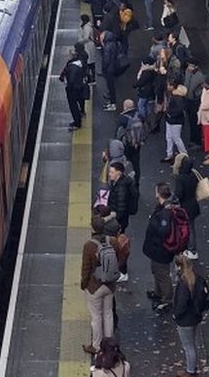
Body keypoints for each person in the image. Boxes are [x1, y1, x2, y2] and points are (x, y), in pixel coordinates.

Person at [82, 216, 116, 355]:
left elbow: (86, 268)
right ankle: (110, 344)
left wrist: (84, 284)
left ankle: (96, 346)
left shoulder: (89, 245)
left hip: (94, 285)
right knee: (108, 314)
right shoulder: (112, 241)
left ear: (92, 228)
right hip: (109, 285)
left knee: (96, 317)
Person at [173, 254, 209, 376]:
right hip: (195, 317)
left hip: (185, 320)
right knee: (192, 344)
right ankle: (192, 368)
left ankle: (191, 371)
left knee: (188, 347)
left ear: (179, 267)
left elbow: (181, 304)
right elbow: (208, 298)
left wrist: (176, 315)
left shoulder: (184, 283)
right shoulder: (199, 279)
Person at [143, 184, 175, 311]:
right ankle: (159, 292)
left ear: (158, 194)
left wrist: (153, 221)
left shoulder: (165, 212)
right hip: (157, 249)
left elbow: (163, 231)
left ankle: (166, 299)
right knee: (157, 270)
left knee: (162, 273)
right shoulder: (164, 207)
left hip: (161, 249)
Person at [171, 153, 200, 260]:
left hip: (186, 207)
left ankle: (192, 250)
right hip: (193, 204)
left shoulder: (180, 178)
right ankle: (191, 248)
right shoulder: (193, 174)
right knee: (191, 227)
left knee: (189, 228)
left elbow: (179, 194)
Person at [59, 48, 88, 131]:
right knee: (78, 103)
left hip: (73, 90)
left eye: (69, 55)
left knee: (73, 106)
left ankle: (77, 123)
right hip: (79, 87)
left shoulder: (72, 67)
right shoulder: (79, 64)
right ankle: (79, 117)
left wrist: (68, 87)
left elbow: (71, 80)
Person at [116, 99, 143, 185]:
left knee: (125, 164)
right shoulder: (139, 115)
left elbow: (118, 133)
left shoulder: (122, 118)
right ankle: (136, 182)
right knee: (136, 164)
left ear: (125, 107)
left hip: (126, 145)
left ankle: (126, 183)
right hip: (137, 145)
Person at [106, 161, 137, 233]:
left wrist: (113, 218)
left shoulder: (122, 188)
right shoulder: (119, 182)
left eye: (112, 172)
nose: (109, 174)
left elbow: (121, 207)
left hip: (119, 221)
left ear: (119, 173)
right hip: (120, 218)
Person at [162, 79, 188, 163]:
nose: (167, 86)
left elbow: (179, 110)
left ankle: (184, 155)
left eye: (169, 85)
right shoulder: (174, 95)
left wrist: (170, 114)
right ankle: (169, 154)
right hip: (170, 120)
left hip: (175, 120)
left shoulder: (177, 97)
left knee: (176, 138)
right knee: (169, 137)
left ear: (173, 86)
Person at [100, 31, 125, 111]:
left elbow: (106, 60)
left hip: (109, 69)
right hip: (113, 67)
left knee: (111, 87)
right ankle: (111, 102)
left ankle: (113, 104)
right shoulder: (114, 44)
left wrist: (103, 68)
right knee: (111, 87)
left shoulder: (107, 46)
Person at [183, 58, 205, 148]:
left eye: (191, 66)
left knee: (195, 122)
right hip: (187, 99)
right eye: (189, 65)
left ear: (196, 66)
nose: (189, 67)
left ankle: (197, 141)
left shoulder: (200, 76)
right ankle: (193, 139)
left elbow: (200, 88)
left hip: (195, 101)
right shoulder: (187, 72)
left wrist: (196, 95)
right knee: (191, 121)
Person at [78, 14, 98, 84]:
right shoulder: (89, 26)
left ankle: (90, 79)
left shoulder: (86, 27)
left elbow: (86, 38)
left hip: (88, 46)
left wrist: (80, 41)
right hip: (90, 45)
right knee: (91, 64)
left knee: (88, 64)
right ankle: (93, 79)